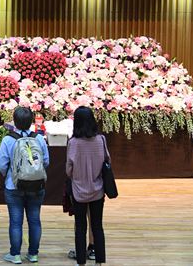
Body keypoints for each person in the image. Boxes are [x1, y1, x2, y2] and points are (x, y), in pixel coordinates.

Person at [0, 107, 49, 264]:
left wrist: (10, 176)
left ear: (15, 122)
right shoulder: (39, 139)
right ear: (31, 121)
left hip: (14, 186)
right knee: (34, 220)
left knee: (15, 222)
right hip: (36, 186)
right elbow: (46, 161)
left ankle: (15, 254)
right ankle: (33, 254)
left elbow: (1, 164)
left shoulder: (8, 140)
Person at [66, 106, 109, 266]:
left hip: (78, 190)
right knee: (97, 226)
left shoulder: (74, 143)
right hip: (97, 189)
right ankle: (99, 261)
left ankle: (81, 262)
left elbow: (69, 169)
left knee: (80, 227)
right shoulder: (101, 140)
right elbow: (107, 161)